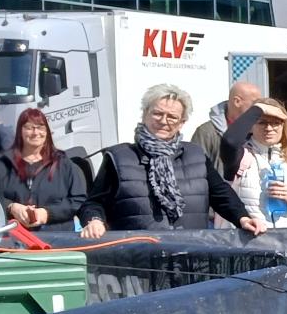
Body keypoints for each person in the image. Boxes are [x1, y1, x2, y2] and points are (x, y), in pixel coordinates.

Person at [80, 83, 260, 237]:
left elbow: (221, 195)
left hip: (190, 252)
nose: (164, 121)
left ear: (182, 123)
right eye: (157, 113)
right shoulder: (118, 157)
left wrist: (242, 218)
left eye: (172, 117)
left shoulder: (196, 154)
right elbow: (94, 203)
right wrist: (94, 220)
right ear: (145, 114)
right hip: (136, 256)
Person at [226, 99, 287, 230]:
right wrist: (257, 109)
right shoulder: (241, 156)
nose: (269, 128)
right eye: (262, 122)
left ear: (283, 126)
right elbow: (229, 141)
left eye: (276, 123)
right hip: (247, 235)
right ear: (251, 126)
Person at [0, 107, 87, 228]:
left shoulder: (65, 165)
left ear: (47, 132)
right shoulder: (3, 164)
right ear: (20, 131)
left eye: (40, 127)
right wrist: (11, 207)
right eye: (29, 128)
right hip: (14, 235)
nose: (35, 133)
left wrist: (47, 213)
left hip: (56, 235)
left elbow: (79, 200)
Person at [193, 80, 260, 160]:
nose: (259, 107)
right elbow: (195, 164)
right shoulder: (206, 132)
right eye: (255, 103)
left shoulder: (260, 130)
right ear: (237, 102)